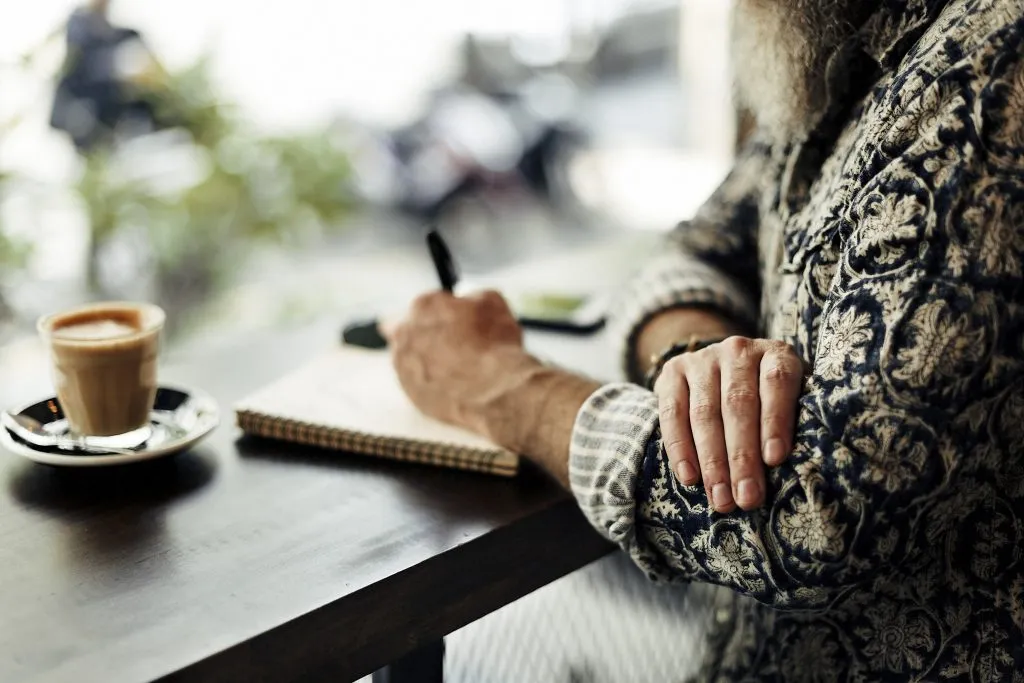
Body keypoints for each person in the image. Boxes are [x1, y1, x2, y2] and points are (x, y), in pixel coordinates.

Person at [390, 0, 1024, 681]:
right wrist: (693, 361)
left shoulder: (995, 63)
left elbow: (817, 515)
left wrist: (507, 388)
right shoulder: (843, 41)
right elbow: (699, 246)